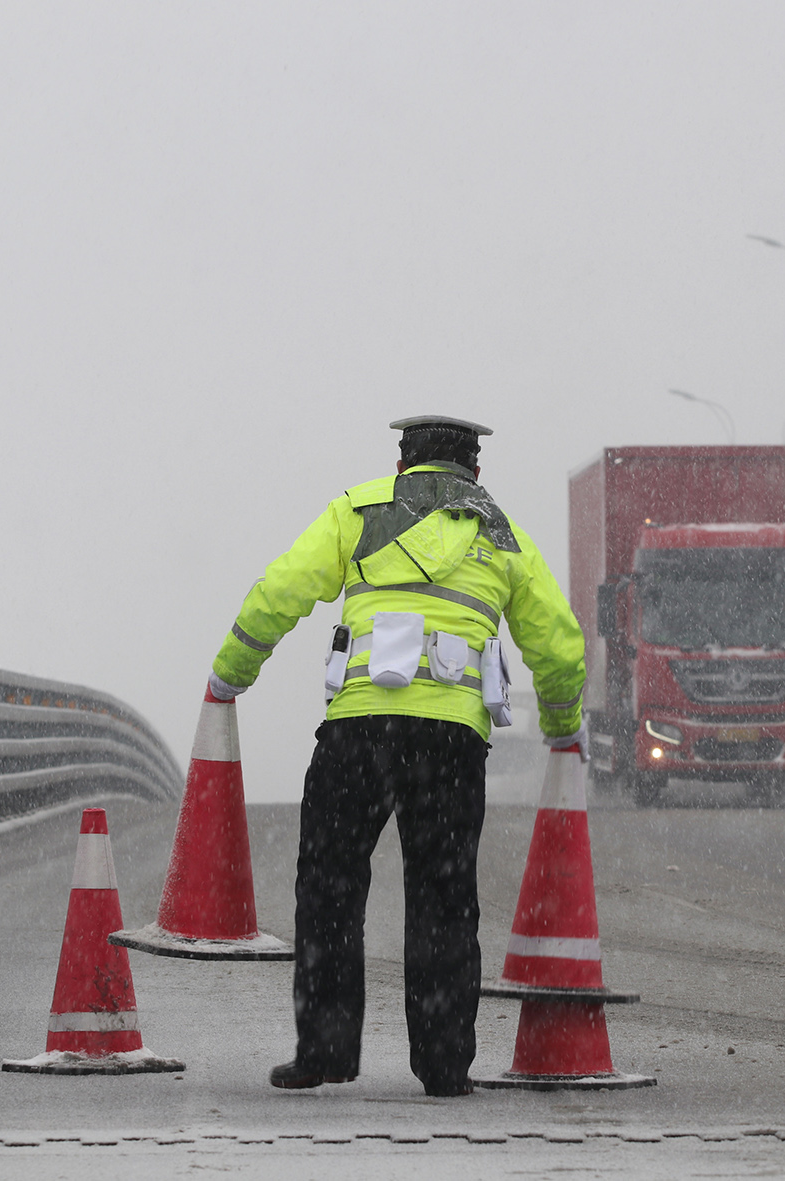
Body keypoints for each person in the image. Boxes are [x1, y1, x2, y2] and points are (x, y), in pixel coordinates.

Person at [206, 415, 587, 1097]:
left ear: (403, 463)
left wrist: (230, 674)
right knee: (444, 898)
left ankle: (324, 1052)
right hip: (451, 741)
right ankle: (444, 1067)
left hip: (358, 732)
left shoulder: (356, 512)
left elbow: (279, 592)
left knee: (329, 886)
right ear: (475, 471)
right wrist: (561, 727)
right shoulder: (502, 534)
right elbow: (558, 646)